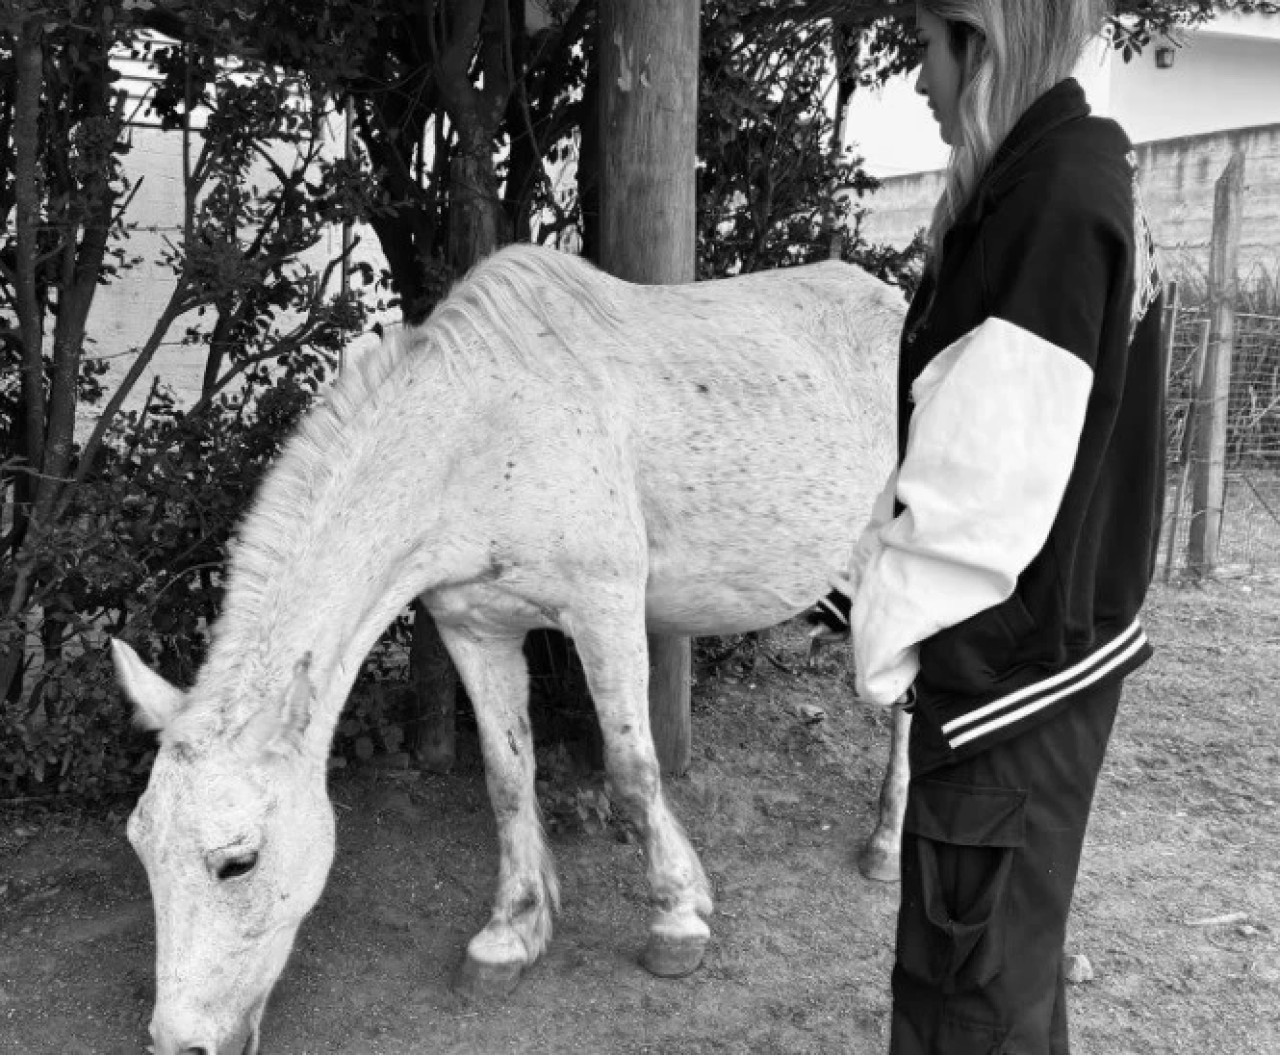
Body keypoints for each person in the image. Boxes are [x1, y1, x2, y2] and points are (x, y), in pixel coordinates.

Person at [808, 1, 1166, 1052]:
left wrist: (879, 639)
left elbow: (977, 495)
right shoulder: (1072, 176)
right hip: (1046, 674)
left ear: (984, 39)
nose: (916, 79)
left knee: (962, 1006)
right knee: (1003, 980)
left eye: (924, 47)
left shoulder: (1047, 199)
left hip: (1006, 697)